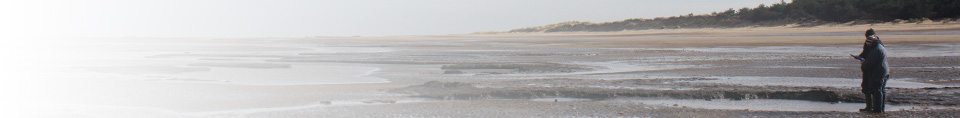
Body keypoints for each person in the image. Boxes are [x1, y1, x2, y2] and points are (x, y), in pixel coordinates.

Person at [850, 28, 889, 113]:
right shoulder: (876, 44)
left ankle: (877, 109)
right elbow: (865, 54)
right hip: (881, 70)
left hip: (877, 71)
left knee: (876, 89)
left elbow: (870, 62)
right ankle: (876, 108)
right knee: (878, 89)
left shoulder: (875, 47)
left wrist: (863, 63)